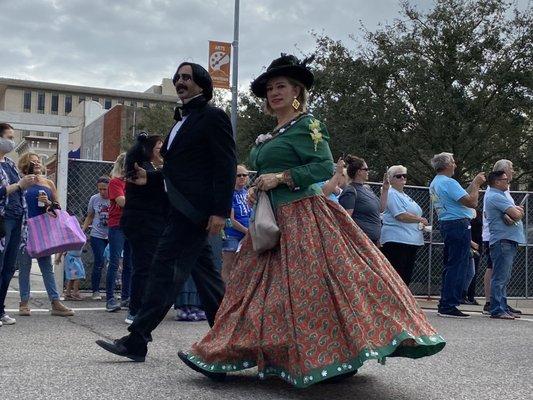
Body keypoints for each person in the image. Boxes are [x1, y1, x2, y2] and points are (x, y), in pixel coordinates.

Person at [177, 54, 445, 388]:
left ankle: (332, 357)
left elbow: (322, 167)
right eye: (270, 88)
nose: (274, 93)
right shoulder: (270, 133)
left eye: (282, 87)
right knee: (253, 291)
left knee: (313, 291)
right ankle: (223, 352)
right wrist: (260, 186)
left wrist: (282, 177)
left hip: (304, 216)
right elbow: (267, 170)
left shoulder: (309, 125)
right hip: (271, 221)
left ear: (296, 92)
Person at [95, 61, 236, 361]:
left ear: (202, 84)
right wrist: (152, 177)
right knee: (208, 281)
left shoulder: (214, 117)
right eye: (178, 77)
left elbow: (224, 165)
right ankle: (230, 342)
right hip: (179, 210)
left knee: (162, 271)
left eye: (187, 77)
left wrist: (220, 210)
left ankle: (137, 340)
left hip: (193, 212)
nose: (180, 81)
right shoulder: (179, 123)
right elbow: (180, 171)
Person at [16, 153, 74, 317]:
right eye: (32, 161)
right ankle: (24, 302)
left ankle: (55, 302)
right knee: (25, 267)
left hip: (43, 229)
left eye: (38, 160)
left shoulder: (48, 183)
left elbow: (58, 207)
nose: (36, 163)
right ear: (25, 165)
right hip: (25, 228)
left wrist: (48, 203)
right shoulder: (22, 182)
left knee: (46, 267)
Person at [429, 152, 485, 318]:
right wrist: (475, 183)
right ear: (446, 165)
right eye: (453, 162)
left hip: (447, 223)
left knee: (450, 264)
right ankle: (449, 304)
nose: (455, 165)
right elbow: (471, 202)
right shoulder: (449, 182)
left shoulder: (436, 183)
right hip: (458, 224)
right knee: (458, 265)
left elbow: (462, 197)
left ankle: (445, 302)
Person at [121, 133, 167, 324]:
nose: (162, 151)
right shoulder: (142, 171)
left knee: (144, 266)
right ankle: (135, 310)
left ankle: (140, 308)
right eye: (159, 148)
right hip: (143, 225)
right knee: (143, 267)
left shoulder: (149, 170)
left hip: (143, 224)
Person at [0, 123, 37, 326]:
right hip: (2, 219)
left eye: (13, 137)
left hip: (16, 218)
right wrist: (18, 185)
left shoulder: (10, 164)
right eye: (8, 137)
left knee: (8, 268)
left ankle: (1, 309)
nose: (11, 141)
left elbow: (18, 189)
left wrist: (26, 182)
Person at [481, 159, 522, 315]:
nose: (511, 175)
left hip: (507, 238)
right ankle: (495, 306)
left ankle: (502, 305)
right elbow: (515, 214)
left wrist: (515, 213)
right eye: (505, 177)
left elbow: (513, 213)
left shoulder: (502, 193)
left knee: (503, 276)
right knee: (498, 275)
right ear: (497, 181)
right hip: (500, 238)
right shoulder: (495, 195)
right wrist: (516, 213)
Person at [380, 165, 427, 287]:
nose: (402, 178)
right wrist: (419, 219)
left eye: (404, 175)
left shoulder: (404, 195)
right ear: (390, 178)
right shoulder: (391, 193)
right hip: (397, 240)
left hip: (411, 240)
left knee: (406, 275)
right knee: (397, 274)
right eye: (398, 176)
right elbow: (400, 215)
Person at [105, 153, 132, 312]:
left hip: (131, 224)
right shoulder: (115, 182)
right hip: (117, 224)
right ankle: (110, 298)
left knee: (130, 262)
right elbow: (121, 202)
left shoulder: (131, 182)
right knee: (115, 261)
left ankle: (126, 296)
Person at [338, 155, 383, 244]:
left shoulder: (367, 188)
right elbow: (346, 218)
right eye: (366, 169)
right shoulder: (350, 190)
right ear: (359, 172)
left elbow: (381, 209)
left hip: (373, 240)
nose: (368, 171)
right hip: (360, 241)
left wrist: (385, 189)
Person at [221, 164, 252, 282]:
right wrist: (248, 232)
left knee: (245, 266)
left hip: (248, 235)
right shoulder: (229, 194)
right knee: (228, 266)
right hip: (233, 235)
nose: (242, 177)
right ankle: (226, 296)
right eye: (238, 175)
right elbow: (231, 221)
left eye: (245, 175)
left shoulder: (247, 193)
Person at [82, 176, 110, 301]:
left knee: (113, 262)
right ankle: (95, 290)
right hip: (97, 234)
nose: (103, 192)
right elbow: (90, 216)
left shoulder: (116, 197)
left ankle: (111, 291)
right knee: (99, 260)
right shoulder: (94, 199)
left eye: (105, 189)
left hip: (112, 234)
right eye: (100, 189)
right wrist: (82, 230)